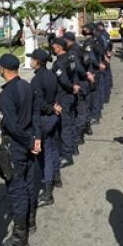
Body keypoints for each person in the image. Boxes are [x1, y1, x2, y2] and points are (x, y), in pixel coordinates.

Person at [0, 54, 41, 246]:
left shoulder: (6, 95)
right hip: (29, 141)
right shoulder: (26, 86)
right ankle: (30, 222)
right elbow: (35, 114)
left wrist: (31, 141)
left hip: (17, 146)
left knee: (17, 191)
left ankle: (19, 239)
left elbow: (11, 126)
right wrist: (36, 138)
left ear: (3, 69)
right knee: (30, 185)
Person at [27, 49, 61, 207]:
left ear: (37, 61)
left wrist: (49, 109)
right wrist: (54, 107)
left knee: (45, 154)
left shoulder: (36, 80)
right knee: (53, 149)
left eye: (32, 59)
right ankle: (56, 177)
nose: (30, 61)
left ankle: (48, 192)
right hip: (53, 117)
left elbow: (39, 104)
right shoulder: (52, 75)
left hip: (44, 119)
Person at [51, 37, 81, 167]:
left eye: (54, 46)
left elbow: (63, 79)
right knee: (72, 121)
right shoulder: (71, 57)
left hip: (64, 96)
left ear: (59, 47)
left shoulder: (59, 63)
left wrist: (71, 87)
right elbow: (75, 74)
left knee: (65, 126)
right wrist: (75, 86)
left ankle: (67, 155)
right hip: (72, 95)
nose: (52, 48)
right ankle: (74, 146)